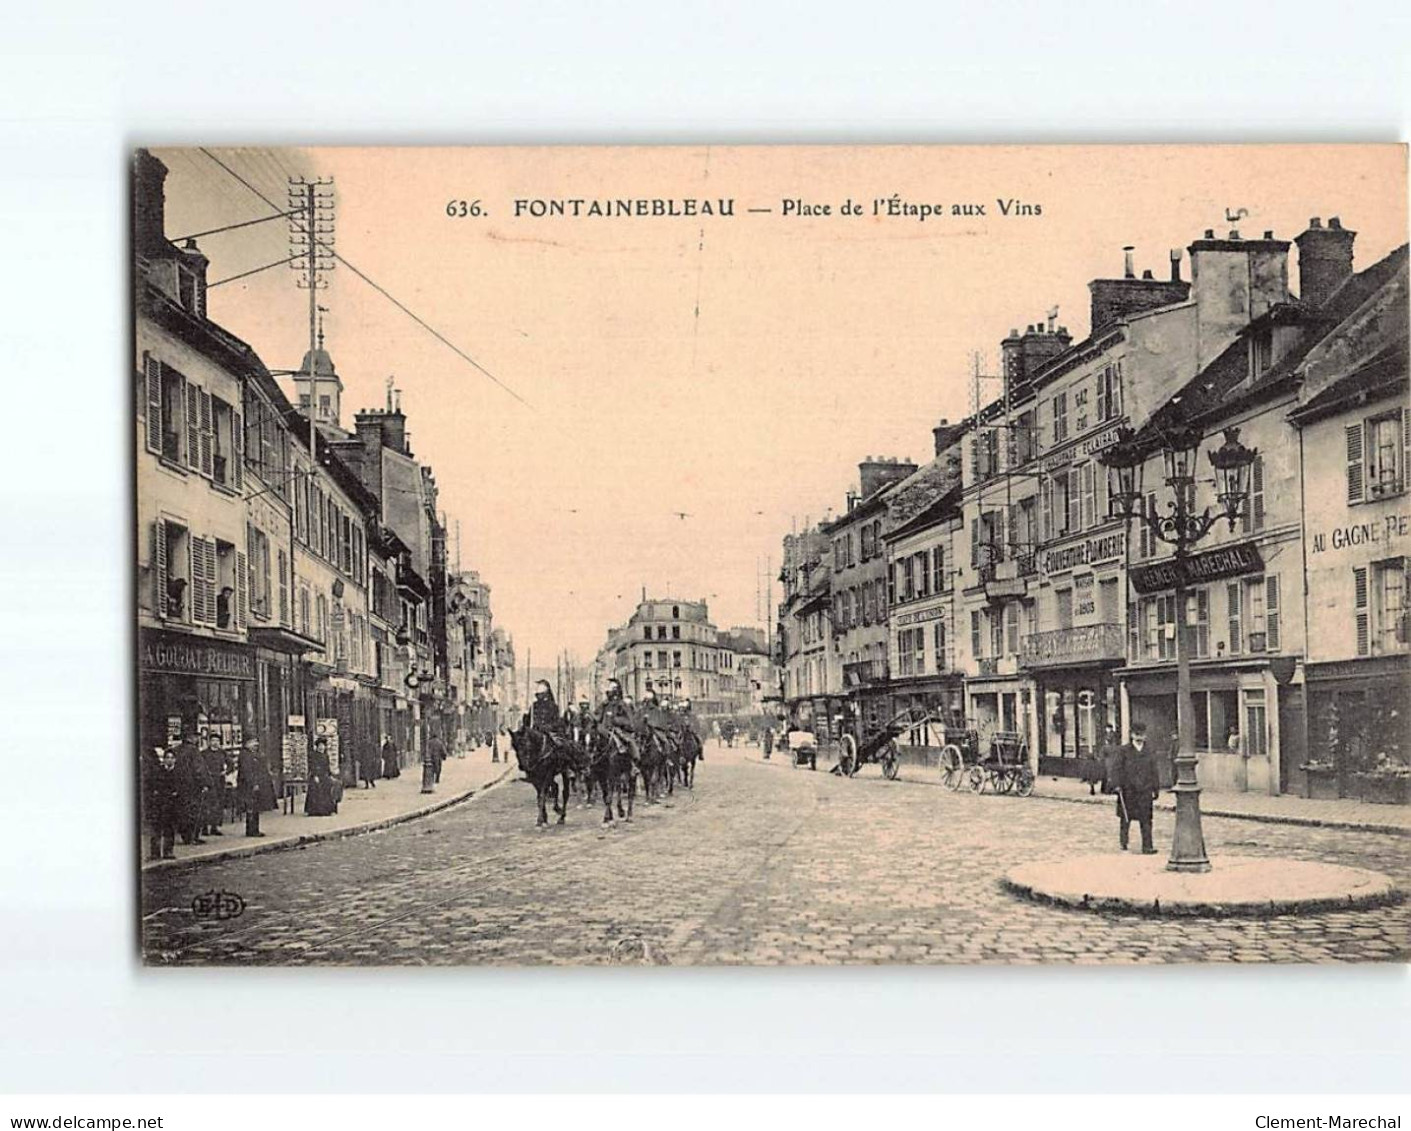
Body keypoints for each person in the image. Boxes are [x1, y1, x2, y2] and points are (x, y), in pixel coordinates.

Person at [1115, 722, 1160, 853]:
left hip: (1145, 790)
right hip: (1128, 790)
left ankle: (1147, 846)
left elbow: (1154, 771)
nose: (1139, 737)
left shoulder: (1149, 751)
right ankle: (1124, 842)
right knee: (1126, 818)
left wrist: (1155, 789)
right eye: (1136, 734)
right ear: (1132, 735)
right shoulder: (1124, 751)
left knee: (1146, 819)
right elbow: (1117, 769)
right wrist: (1117, 785)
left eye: (1142, 734)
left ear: (1145, 735)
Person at [142, 746, 179, 860]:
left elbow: (182, 788)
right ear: (163, 759)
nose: (169, 760)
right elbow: (151, 786)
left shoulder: (178, 773)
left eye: (172, 758)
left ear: (175, 760)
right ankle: (155, 853)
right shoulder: (158, 772)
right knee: (156, 828)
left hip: (172, 805)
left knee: (169, 829)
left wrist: (176, 794)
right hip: (159, 804)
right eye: (167, 757)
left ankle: (168, 852)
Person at [172, 733, 206, 845]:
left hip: (179, 785)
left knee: (182, 810)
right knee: (194, 811)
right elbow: (199, 769)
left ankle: (185, 835)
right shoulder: (194, 751)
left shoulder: (176, 750)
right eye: (197, 737)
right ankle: (192, 837)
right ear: (191, 738)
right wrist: (204, 783)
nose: (198, 739)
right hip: (192, 786)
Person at [236, 737, 267, 838]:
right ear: (247, 743)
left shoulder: (253, 754)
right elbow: (247, 772)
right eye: (253, 742)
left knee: (254, 808)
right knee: (251, 808)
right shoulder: (245, 755)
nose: (256, 744)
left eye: (256, 742)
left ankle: (254, 829)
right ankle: (251, 831)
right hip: (248, 786)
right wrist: (254, 784)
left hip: (253, 784)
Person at [304, 736, 339, 817]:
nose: (321, 747)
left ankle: (326, 810)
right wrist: (315, 775)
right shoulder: (314, 755)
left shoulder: (326, 756)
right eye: (320, 745)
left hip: (324, 775)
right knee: (316, 789)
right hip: (316, 776)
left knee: (328, 788)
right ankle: (314, 811)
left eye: (323, 745)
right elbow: (313, 766)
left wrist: (330, 775)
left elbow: (327, 767)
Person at [200, 733, 226, 837]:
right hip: (208, 781)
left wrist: (225, 772)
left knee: (217, 805)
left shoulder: (222, 753)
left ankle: (214, 827)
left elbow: (231, 764)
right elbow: (200, 767)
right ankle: (205, 827)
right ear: (209, 742)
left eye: (217, 741)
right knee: (207, 805)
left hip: (219, 781)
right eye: (213, 740)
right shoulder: (204, 753)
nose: (215, 743)